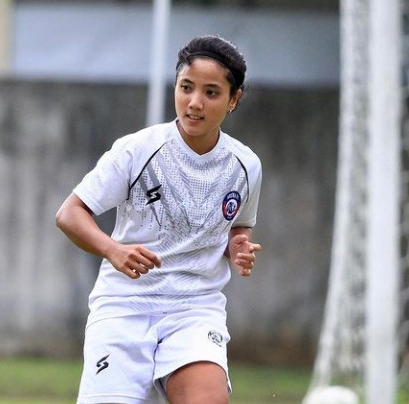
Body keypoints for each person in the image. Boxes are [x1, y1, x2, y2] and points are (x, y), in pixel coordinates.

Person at [55, 35, 263, 404]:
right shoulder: (138, 150)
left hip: (194, 308)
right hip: (125, 306)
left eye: (211, 92)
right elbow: (70, 213)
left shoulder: (245, 165)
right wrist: (112, 250)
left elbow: (237, 225)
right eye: (186, 88)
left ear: (234, 99)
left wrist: (238, 247)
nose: (194, 103)